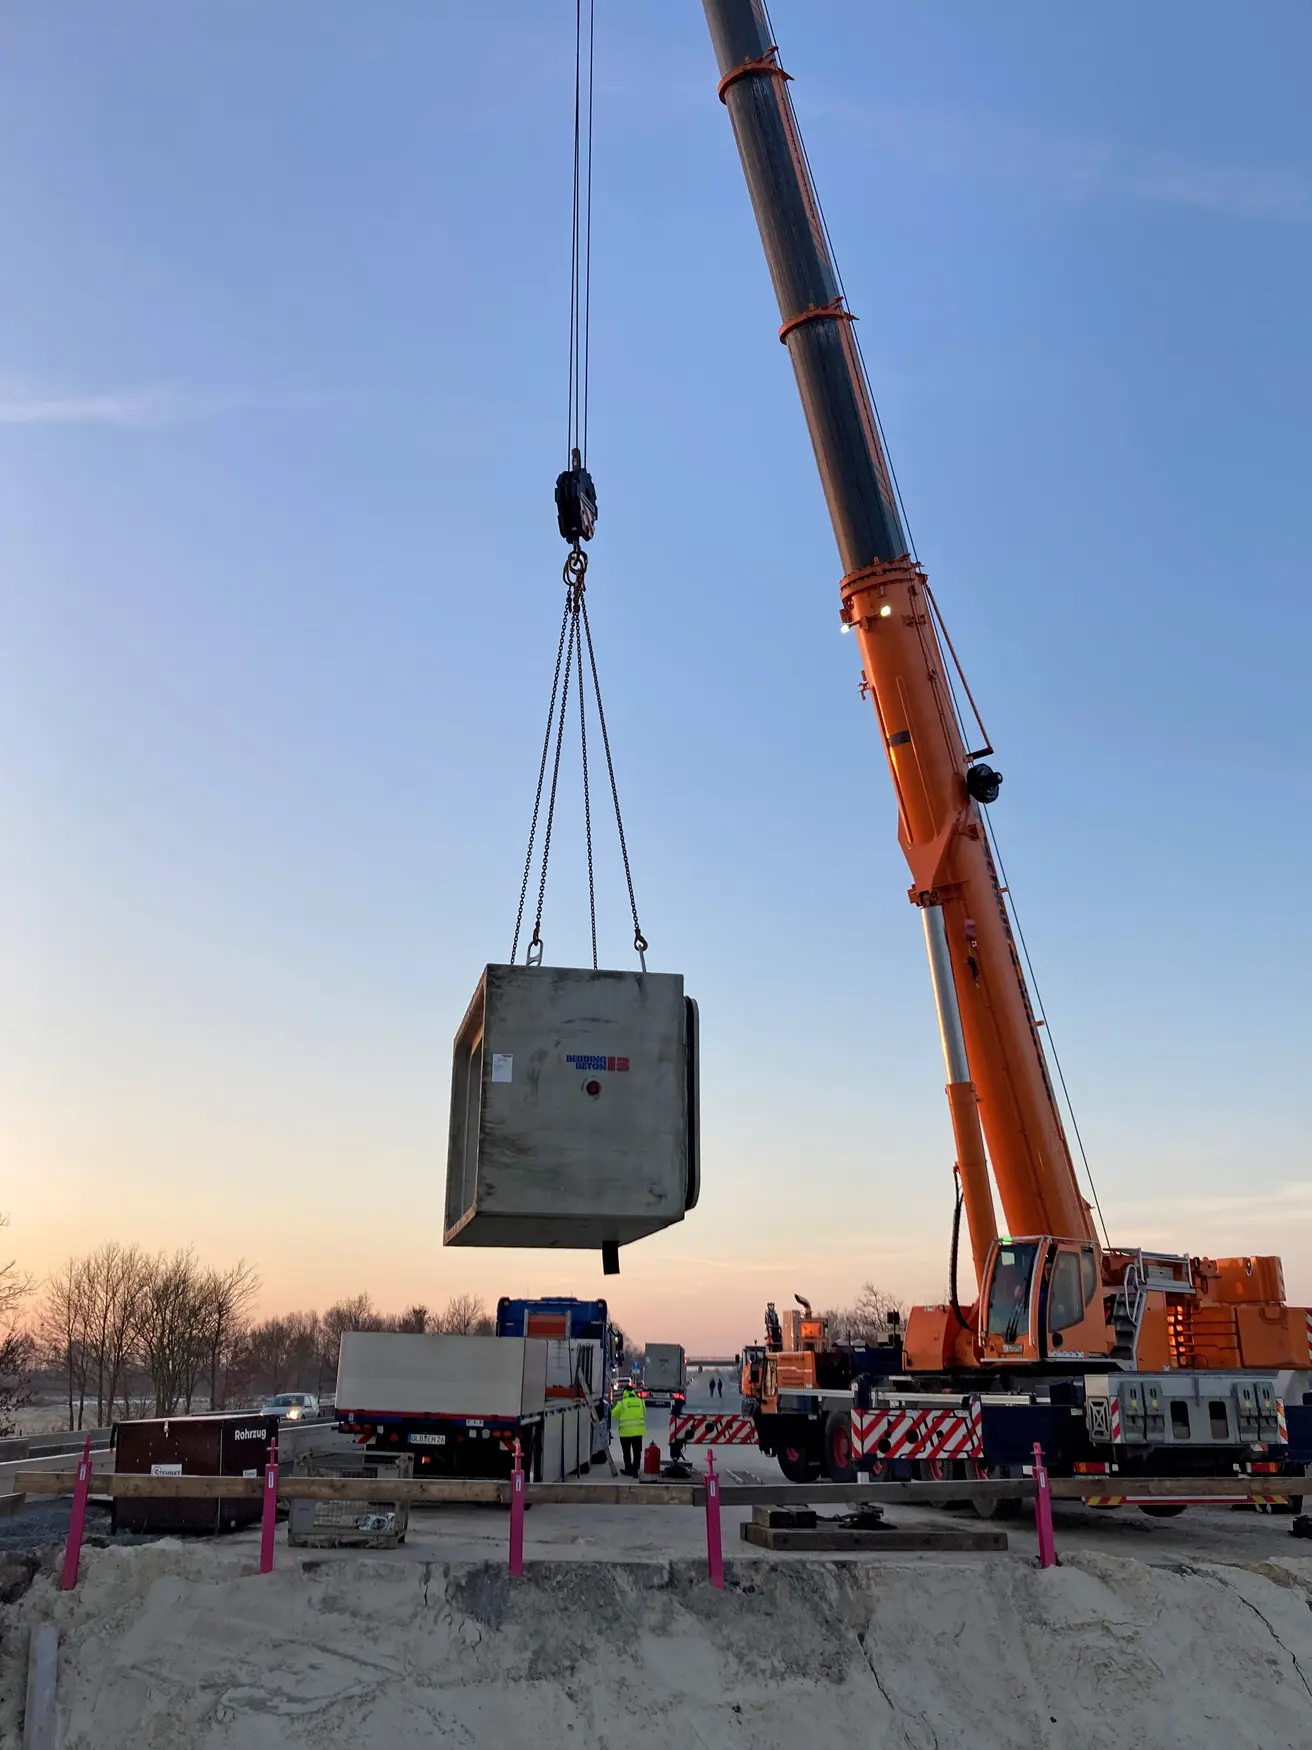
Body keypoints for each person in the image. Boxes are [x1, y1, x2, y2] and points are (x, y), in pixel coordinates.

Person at [614, 1383, 647, 1476]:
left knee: (626, 1452)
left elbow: (613, 1414)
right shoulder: (640, 1402)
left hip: (625, 1433)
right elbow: (644, 1413)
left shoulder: (622, 1403)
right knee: (637, 1452)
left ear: (625, 1392)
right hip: (638, 1432)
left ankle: (628, 1469)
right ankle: (635, 1470)